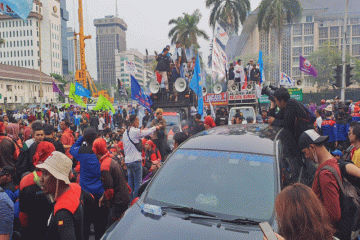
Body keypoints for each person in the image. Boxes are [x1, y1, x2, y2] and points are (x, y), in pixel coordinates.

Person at [37, 151, 90, 240]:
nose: (41, 179)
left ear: (59, 178)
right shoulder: (75, 188)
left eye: (46, 174)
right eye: (42, 173)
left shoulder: (63, 212)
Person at [299, 130, 341, 233]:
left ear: (312, 147)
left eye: (305, 152)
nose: (306, 156)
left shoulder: (325, 174)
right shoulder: (332, 162)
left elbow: (334, 215)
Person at [69, 127, 105, 239]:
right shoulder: (100, 152)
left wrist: (81, 137)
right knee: (99, 222)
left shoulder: (82, 151)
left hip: (85, 192)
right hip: (100, 192)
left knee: (86, 222)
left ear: (85, 138)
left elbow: (72, 149)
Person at [92, 138, 130, 228]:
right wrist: (103, 197)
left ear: (96, 151)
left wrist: (107, 201)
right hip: (124, 197)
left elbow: (109, 191)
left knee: (111, 228)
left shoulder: (105, 166)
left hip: (119, 201)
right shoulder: (110, 159)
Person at [123, 114, 160, 200]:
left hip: (128, 161)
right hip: (135, 161)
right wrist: (155, 128)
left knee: (130, 184)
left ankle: (130, 201)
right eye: (138, 121)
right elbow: (145, 133)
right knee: (138, 184)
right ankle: (135, 202)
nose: (139, 122)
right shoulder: (134, 131)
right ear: (134, 122)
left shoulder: (125, 132)